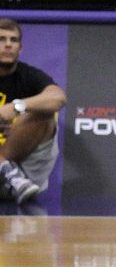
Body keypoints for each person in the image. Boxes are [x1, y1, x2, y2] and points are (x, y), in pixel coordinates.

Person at [0, 18, 67, 204]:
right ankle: (5, 169)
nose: (7, 45)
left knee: (44, 114)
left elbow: (58, 98)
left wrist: (15, 107)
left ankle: (8, 171)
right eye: (1, 39)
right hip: (15, 180)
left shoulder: (29, 75)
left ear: (20, 49)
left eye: (13, 40)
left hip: (23, 173)